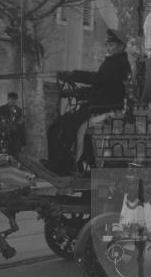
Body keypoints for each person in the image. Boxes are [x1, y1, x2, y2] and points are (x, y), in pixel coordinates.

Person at [43, 28, 131, 175]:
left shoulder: (119, 64)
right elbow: (101, 88)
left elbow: (99, 80)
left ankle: (62, 166)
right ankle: (64, 164)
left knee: (63, 125)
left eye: (111, 44)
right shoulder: (114, 62)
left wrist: (74, 75)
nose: (108, 47)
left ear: (121, 46)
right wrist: (74, 92)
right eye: (107, 44)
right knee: (59, 125)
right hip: (98, 105)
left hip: (102, 108)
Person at [0, 92, 25, 157]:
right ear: (8, 99)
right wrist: (5, 127)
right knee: (1, 157)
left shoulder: (19, 110)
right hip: (3, 138)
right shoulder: (1, 109)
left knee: (13, 157)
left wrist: (23, 142)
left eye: (15, 100)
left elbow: (22, 126)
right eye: (11, 99)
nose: (13, 101)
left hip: (15, 139)